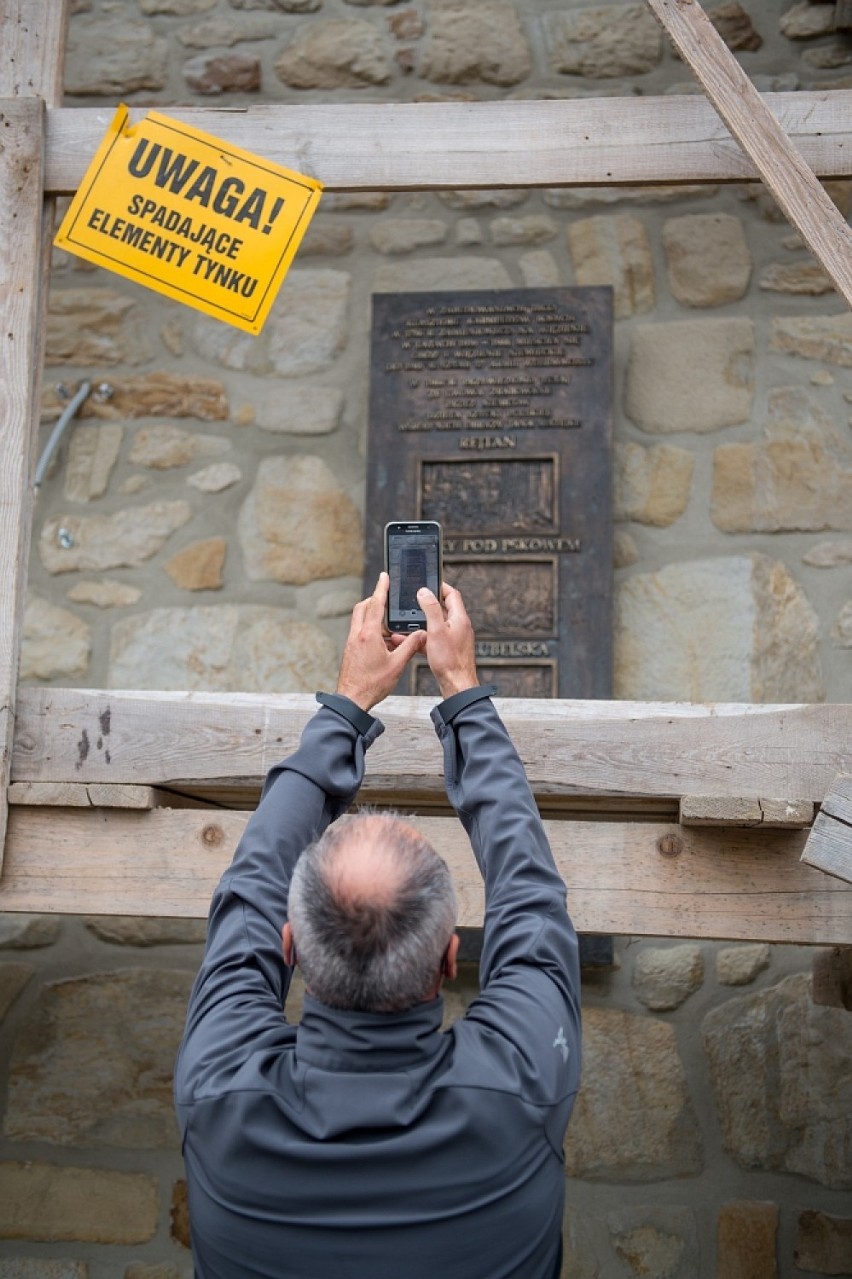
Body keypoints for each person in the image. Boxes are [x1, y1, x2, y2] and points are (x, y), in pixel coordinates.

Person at [174, 572, 581, 1279]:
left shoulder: (220, 1086)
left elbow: (248, 889)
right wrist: (460, 687)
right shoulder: (519, 1083)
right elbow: (531, 895)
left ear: (290, 946)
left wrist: (351, 701)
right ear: (451, 957)